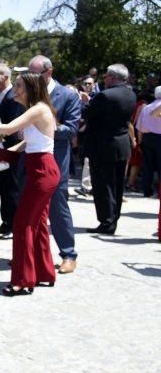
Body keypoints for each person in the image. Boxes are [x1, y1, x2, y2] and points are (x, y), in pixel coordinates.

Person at [0, 72, 60, 295]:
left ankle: (23, 281)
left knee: (22, 224)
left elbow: (7, 129)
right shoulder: (37, 109)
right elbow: (29, 143)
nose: (15, 90)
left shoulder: (38, 108)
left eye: (19, 86)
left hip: (42, 171)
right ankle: (43, 273)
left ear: (31, 88)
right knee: (36, 225)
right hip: (41, 169)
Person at [28, 55, 81, 274]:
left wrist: (47, 127)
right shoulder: (28, 93)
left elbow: (71, 129)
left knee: (58, 208)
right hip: (30, 160)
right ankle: (31, 256)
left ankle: (68, 254)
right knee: (31, 210)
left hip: (55, 161)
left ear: (49, 72)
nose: (29, 78)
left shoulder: (67, 95)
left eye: (35, 73)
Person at [83, 64, 136, 235]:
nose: (104, 79)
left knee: (102, 186)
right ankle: (113, 219)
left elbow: (88, 114)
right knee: (117, 185)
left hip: (103, 146)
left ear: (112, 77)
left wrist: (85, 102)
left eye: (106, 76)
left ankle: (106, 221)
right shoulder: (131, 94)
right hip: (121, 144)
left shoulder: (104, 96)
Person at [0, 63, 24, 236]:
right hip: (3, 149)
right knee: (4, 186)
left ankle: (12, 223)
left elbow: (13, 127)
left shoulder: (13, 97)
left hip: (11, 149)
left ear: (5, 76)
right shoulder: (2, 96)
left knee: (12, 187)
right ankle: (6, 221)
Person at [137, 86, 161, 198]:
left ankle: (147, 190)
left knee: (147, 166)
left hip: (147, 138)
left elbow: (140, 126)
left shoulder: (146, 108)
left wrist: (140, 141)